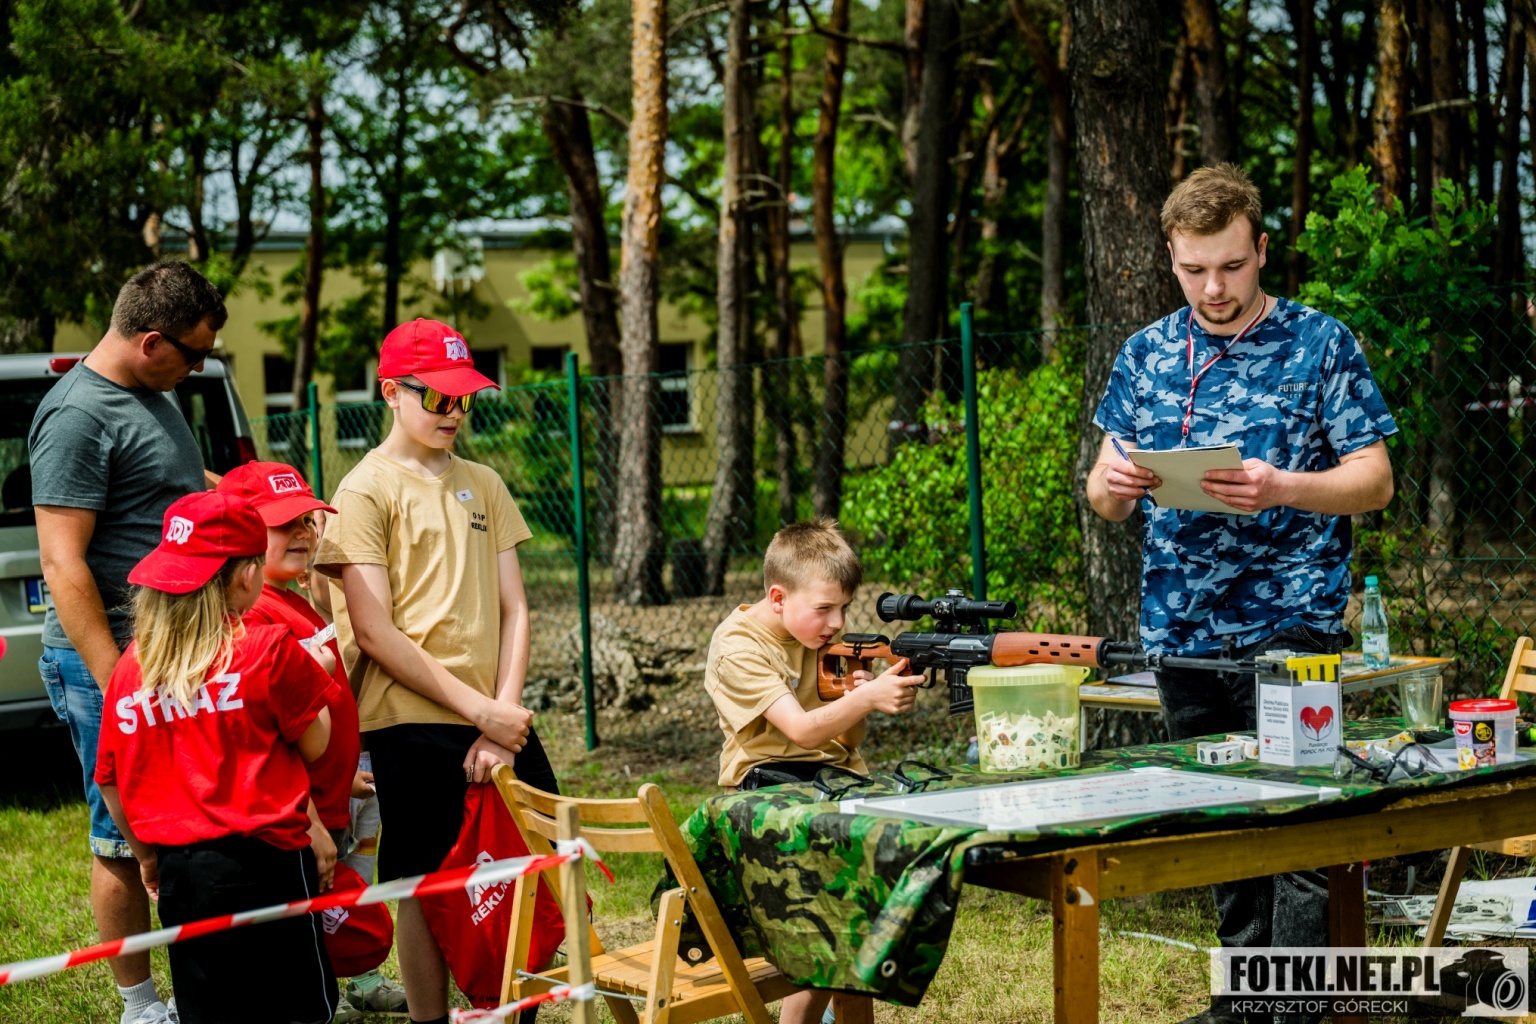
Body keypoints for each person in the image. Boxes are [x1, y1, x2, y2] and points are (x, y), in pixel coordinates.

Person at [1085, 164, 1397, 1024]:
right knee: (1218, 820)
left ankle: (1292, 1011)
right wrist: (1114, 484)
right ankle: (1241, 1005)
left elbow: (1375, 480)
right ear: (1170, 258)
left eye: (1230, 266)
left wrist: (1282, 486)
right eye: (1193, 270)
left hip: (1293, 625)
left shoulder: (1320, 342)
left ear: (1260, 249)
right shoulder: (1146, 353)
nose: (1213, 289)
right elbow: (1104, 496)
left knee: (1296, 823)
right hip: (1182, 630)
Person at [313, 318, 560, 1024]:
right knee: (422, 882)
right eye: (438, 398)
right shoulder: (364, 490)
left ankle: (515, 1007)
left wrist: (502, 717)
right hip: (411, 720)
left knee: (532, 860)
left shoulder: (485, 482)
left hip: (495, 717)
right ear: (392, 392)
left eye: (465, 399)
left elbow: (515, 609)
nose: (455, 413)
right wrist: (481, 714)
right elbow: (374, 631)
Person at [30, 260, 226, 1024]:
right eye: (194, 354)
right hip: (108, 659)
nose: (197, 369)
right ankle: (139, 1006)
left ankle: (200, 984)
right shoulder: (77, 417)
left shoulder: (152, 393)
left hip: (169, 652)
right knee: (121, 834)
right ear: (151, 342)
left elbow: (169, 481)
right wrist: (119, 682)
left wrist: (239, 496)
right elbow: (62, 563)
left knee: (187, 824)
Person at [96, 491, 341, 1024]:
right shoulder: (268, 647)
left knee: (209, 1009)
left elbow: (110, 782)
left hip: (182, 872)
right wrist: (312, 678)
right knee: (294, 1009)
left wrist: (146, 858)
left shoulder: (130, 669)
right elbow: (316, 743)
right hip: (270, 860)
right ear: (248, 576)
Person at [702, 518, 925, 1024]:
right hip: (764, 796)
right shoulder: (738, 646)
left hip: (829, 785)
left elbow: (846, 742)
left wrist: (859, 699)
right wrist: (868, 697)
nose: (837, 622)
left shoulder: (821, 638)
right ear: (778, 598)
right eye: (824, 608)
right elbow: (802, 732)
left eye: (844, 607)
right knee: (838, 912)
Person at [217, 461, 409, 1021]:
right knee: (302, 919)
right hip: (301, 816)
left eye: (306, 520)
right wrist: (312, 820)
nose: (302, 532)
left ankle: (342, 986)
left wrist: (341, 776)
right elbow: (267, 740)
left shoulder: (290, 598)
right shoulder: (253, 619)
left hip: (328, 797)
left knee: (335, 904)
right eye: (284, 524)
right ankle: (314, 998)